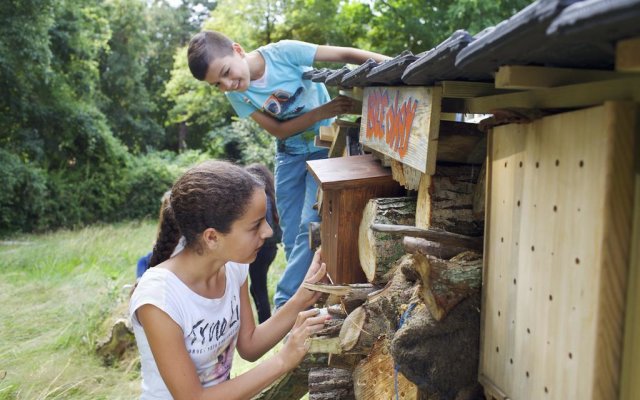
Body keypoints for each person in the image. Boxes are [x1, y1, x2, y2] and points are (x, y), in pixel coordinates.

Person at [187, 31, 390, 308]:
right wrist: (324, 110)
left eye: (225, 72)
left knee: (310, 223)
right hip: (289, 155)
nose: (226, 85)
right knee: (293, 237)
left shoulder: (282, 53)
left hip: (322, 150)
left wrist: (393, 64)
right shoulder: (238, 94)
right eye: (217, 84)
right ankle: (311, 300)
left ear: (237, 49)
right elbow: (279, 130)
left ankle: (285, 303)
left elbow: (345, 54)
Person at [129, 160, 330, 399]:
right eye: (255, 225)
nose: (267, 232)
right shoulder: (159, 298)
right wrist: (284, 359)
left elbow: (250, 345)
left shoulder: (233, 267)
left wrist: (302, 298)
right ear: (212, 237)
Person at [245, 163, 281, 323]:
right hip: (270, 249)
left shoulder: (262, 198)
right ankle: (264, 322)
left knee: (259, 289)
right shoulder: (271, 196)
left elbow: (266, 228)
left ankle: (265, 324)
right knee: (256, 287)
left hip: (261, 249)